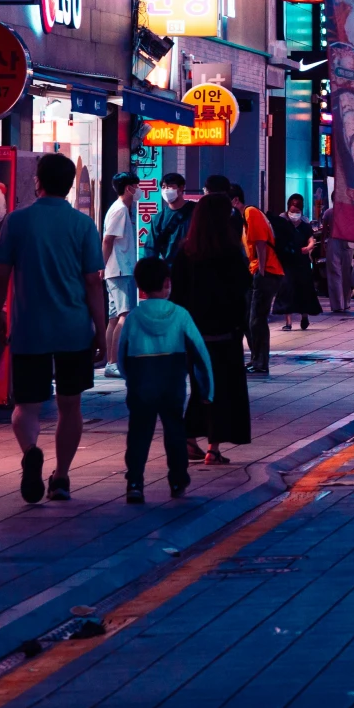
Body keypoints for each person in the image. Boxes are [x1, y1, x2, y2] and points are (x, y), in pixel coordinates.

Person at [0, 151, 109, 504]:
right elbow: (92, 282)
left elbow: (0, 276)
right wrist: (100, 332)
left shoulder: (17, 221)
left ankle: (30, 452)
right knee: (70, 405)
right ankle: (60, 477)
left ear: (37, 181)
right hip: (73, 328)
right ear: (71, 186)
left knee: (25, 406)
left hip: (28, 327)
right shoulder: (83, 225)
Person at [114, 256, 210, 503]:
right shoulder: (180, 315)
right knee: (175, 431)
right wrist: (207, 390)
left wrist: (129, 378)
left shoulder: (134, 317)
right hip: (172, 381)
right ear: (168, 282)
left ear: (139, 287)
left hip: (141, 381)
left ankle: (135, 482)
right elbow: (200, 353)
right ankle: (178, 479)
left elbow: (121, 354)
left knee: (138, 434)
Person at [170, 190, 253, 463]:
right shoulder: (230, 250)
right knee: (222, 388)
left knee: (199, 385)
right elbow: (243, 286)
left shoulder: (186, 250)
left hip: (193, 332)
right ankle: (213, 448)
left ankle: (189, 438)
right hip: (225, 332)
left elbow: (177, 293)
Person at [100, 172, 141, 378]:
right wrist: (102, 264)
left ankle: (111, 362)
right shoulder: (120, 210)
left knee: (115, 317)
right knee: (124, 315)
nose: (139, 189)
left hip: (117, 269)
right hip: (119, 269)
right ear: (128, 188)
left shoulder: (121, 209)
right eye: (137, 185)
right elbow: (107, 240)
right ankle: (115, 362)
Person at [239, 184, 283, 375]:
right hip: (257, 271)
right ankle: (255, 360)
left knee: (256, 319)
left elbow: (260, 243)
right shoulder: (243, 218)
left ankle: (260, 362)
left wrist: (261, 271)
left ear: (234, 200)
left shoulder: (250, 212)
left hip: (266, 272)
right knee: (250, 319)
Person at [277, 194, 316, 330]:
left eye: (297, 212)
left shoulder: (304, 224)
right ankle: (288, 322)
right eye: (292, 211)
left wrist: (308, 248)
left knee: (303, 288)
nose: (295, 214)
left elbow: (311, 239)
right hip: (287, 260)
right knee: (287, 289)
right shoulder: (282, 221)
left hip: (302, 261)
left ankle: (304, 316)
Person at [142, 172, 190, 261]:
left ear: (181, 188)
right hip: (170, 268)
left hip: (193, 266)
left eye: (170, 186)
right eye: (163, 187)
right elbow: (151, 248)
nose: (166, 190)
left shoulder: (194, 211)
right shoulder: (158, 218)